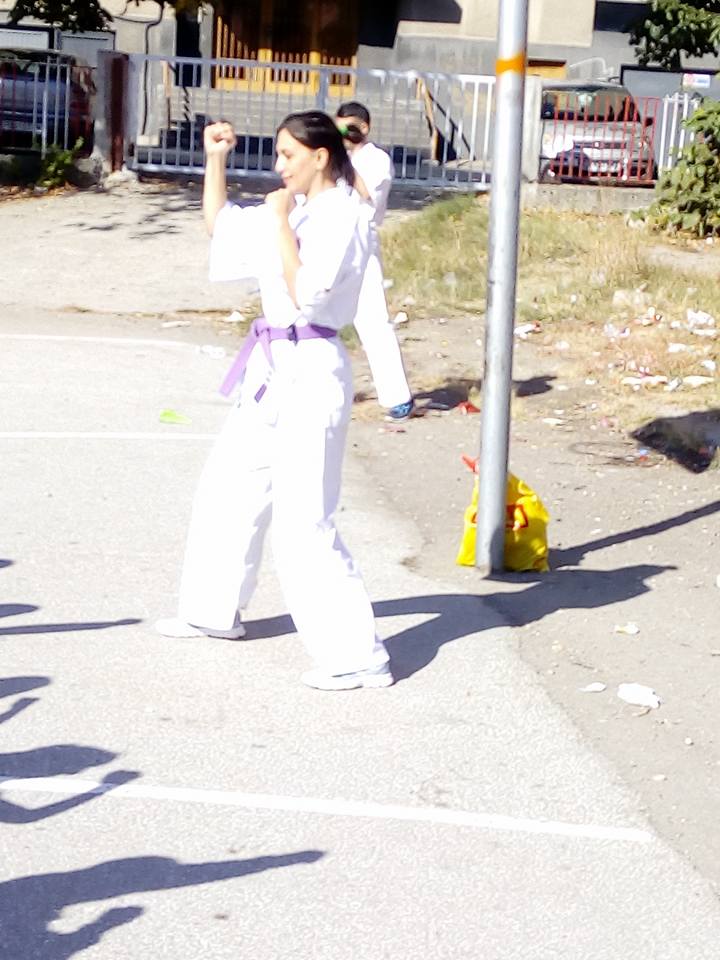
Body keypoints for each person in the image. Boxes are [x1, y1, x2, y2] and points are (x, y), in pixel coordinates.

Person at [156, 111, 393, 691]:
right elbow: (220, 226)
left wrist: (282, 222)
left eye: (288, 154)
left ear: (320, 156)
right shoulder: (296, 207)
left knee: (305, 517)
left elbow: (308, 292)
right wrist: (216, 159)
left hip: (313, 367)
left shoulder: (345, 214)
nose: (278, 165)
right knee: (228, 487)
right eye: (277, 154)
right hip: (270, 368)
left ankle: (358, 657)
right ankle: (212, 612)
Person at [335, 101, 414, 422]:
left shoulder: (376, 159)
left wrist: (341, 160)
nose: (343, 134)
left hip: (361, 241)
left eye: (348, 128)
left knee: (372, 319)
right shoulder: (334, 157)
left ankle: (397, 396)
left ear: (364, 128)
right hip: (330, 238)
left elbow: (367, 193)